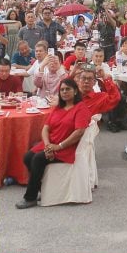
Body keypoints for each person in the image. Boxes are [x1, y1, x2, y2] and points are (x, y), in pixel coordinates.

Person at [17, 78, 91, 209]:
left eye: (68, 89)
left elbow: (79, 132)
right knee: (28, 157)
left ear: (75, 91)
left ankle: (30, 197)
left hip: (66, 148)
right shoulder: (58, 108)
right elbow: (46, 128)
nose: (64, 92)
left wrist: (59, 146)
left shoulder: (81, 108)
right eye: (62, 89)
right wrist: (47, 145)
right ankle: (42, 189)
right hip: (51, 144)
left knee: (37, 159)